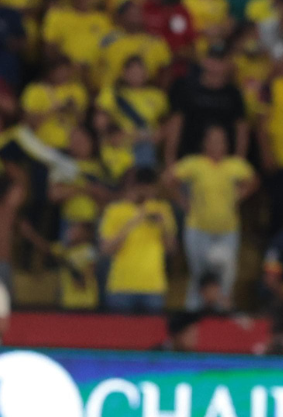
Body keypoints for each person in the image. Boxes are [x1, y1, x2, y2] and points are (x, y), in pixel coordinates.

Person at [166, 126, 258, 310]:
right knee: (199, 273)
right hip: (198, 228)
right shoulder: (195, 163)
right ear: (205, 143)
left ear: (226, 144)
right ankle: (193, 310)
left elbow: (253, 180)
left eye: (221, 140)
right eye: (212, 140)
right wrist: (182, 201)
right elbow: (168, 178)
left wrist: (239, 195)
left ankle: (221, 311)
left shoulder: (234, 165)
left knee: (227, 273)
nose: (217, 144)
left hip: (227, 229)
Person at [99, 167, 177, 313]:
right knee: (121, 333)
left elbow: (171, 249)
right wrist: (133, 222)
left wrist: (164, 228)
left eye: (152, 189)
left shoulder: (162, 209)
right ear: (135, 187)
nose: (149, 193)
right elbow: (106, 250)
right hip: (121, 286)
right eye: (145, 188)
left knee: (153, 335)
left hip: (153, 287)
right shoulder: (114, 211)